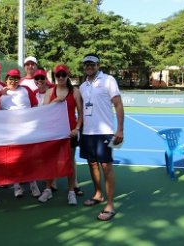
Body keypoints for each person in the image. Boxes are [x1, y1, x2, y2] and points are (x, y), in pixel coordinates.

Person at [79, 53, 124, 221]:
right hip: (87, 132)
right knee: (92, 164)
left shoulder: (108, 80)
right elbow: (82, 110)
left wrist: (120, 129)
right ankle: (98, 195)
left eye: (92, 64)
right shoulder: (83, 86)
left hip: (105, 131)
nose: (89, 66)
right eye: (86, 64)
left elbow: (118, 104)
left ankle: (110, 204)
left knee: (106, 166)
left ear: (98, 65)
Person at [40, 64, 83, 205]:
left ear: (67, 75)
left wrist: (76, 129)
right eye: (58, 75)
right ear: (55, 76)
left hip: (69, 133)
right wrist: (54, 102)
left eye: (63, 75)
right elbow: (44, 113)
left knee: (69, 162)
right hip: (53, 133)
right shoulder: (49, 92)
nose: (60, 78)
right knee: (51, 161)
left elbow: (81, 114)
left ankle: (71, 192)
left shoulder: (75, 91)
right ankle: (48, 190)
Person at [0, 68, 41, 198]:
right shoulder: (0, 93)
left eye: (16, 78)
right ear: (6, 79)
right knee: (13, 158)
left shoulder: (25, 90)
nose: (13, 81)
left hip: (26, 130)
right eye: (11, 78)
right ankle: (17, 185)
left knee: (29, 158)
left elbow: (35, 106)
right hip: (9, 132)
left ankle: (33, 183)